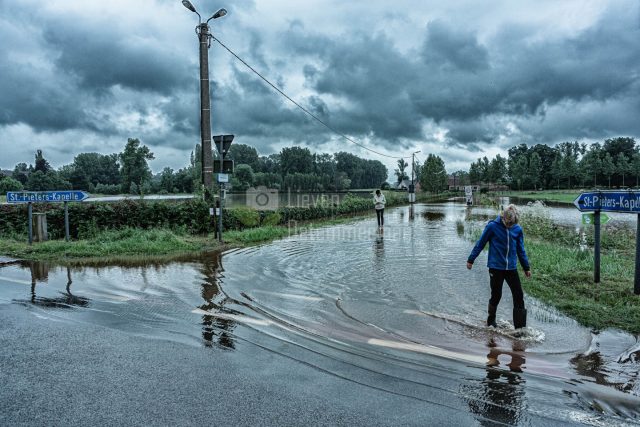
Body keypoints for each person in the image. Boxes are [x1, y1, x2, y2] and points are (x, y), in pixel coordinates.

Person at [466, 204, 531, 329]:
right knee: (496, 295)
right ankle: (491, 321)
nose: (510, 226)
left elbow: (520, 249)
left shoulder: (517, 229)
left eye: (513, 224)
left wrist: (526, 267)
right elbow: (481, 243)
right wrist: (471, 259)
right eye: (509, 223)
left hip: (511, 268)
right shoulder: (492, 226)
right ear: (503, 217)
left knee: (518, 295)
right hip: (496, 268)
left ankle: (520, 328)